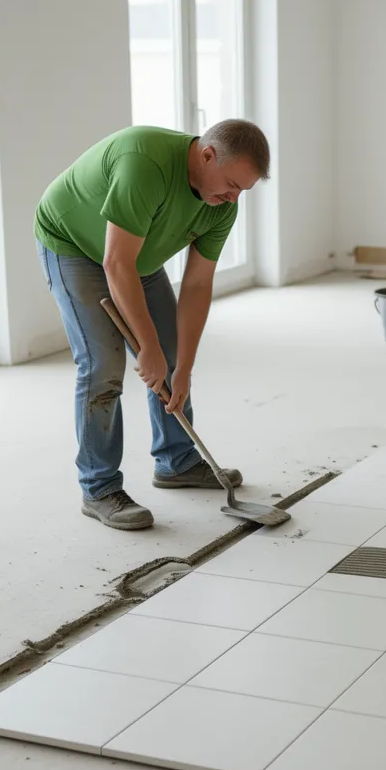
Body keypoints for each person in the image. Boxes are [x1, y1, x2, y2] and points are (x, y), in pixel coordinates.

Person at [34, 119, 270, 531]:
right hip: (73, 244)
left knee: (173, 358)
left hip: (134, 257)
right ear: (207, 155)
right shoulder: (144, 162)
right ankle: (99, 487)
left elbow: (197, 285)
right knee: (103, 366)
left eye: (242, 191)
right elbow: (115, 263)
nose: (233, 198)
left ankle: (177, 462)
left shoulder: (222, 204)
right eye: (231, 184)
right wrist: (147, 347)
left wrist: (183, 368)